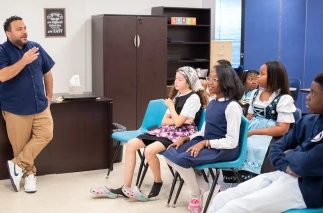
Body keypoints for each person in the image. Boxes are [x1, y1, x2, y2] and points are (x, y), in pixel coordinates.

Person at [209, 73, 323, 213]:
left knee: (234, 208)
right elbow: (276, 148)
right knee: (222, 198)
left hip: (308, 189)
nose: (308, 96)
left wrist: (291, 153)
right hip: (284, 173)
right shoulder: (308, 121)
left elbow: (306, 163)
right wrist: (288, 165)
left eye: (313, 93)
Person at [90, 66, 208, 201]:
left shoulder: (193, 98)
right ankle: (126, 187)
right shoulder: (177, 97)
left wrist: (172, 109)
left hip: (180, 135)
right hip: (167, 131)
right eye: (175, 78)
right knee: (131, 144)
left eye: (179, 79)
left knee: (149, 151)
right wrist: (176, 119)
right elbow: (164, 121)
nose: (175, 82)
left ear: (188, 82)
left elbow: (179, 123)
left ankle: (158, 181)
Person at [163, 64, 244, 213]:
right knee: (169, 153)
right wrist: (187, 138)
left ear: (226, 82)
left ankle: (195, 194)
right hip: (207, 143)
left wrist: (205, 143)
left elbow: (232, 141)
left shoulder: (232, 106)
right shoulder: (212, 103)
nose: (209, 82)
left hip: (223, 149)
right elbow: (204, 131)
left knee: (181, 160)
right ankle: (208, 190)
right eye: (209, 78)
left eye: (215, 79)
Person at [0, 16, 54, 193]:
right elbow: (2, 75)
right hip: (16, 109)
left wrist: (48, 96)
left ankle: (17, 165)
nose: (24, 31)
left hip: (40, 105)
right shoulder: (0, 52)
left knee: (47, 134)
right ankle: (29, 176)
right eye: (19, 29)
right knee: (21, 145)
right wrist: (24, 61)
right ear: (8, 33)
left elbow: (47, 72)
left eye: (25, 27)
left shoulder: (36, 47)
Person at [232, 61, 296, 182]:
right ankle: (240, 180)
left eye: (261, 74)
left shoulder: (284, 98)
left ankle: (257, 180)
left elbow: (282, 129)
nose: (257, 77)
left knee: (252, 147)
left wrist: (254, 132)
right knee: (235, 142)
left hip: (272, 134)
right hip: (253, 129)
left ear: (273, 77)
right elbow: (250, 116)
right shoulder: (255, 93)